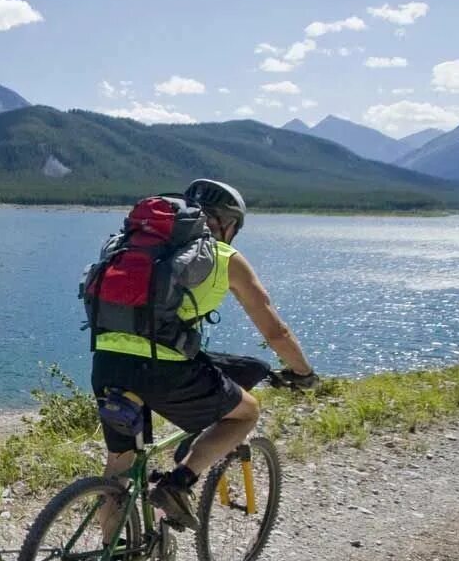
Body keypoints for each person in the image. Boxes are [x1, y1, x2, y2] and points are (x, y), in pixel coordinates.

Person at [91, 179, 317, 531]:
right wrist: (304, 372)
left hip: (106, 361)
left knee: (119, 465)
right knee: (246, 412)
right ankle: (178, 484)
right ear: (228, 225)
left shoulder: (132, 246)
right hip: (163, 370)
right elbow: (276, 332)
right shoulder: (225, 258)